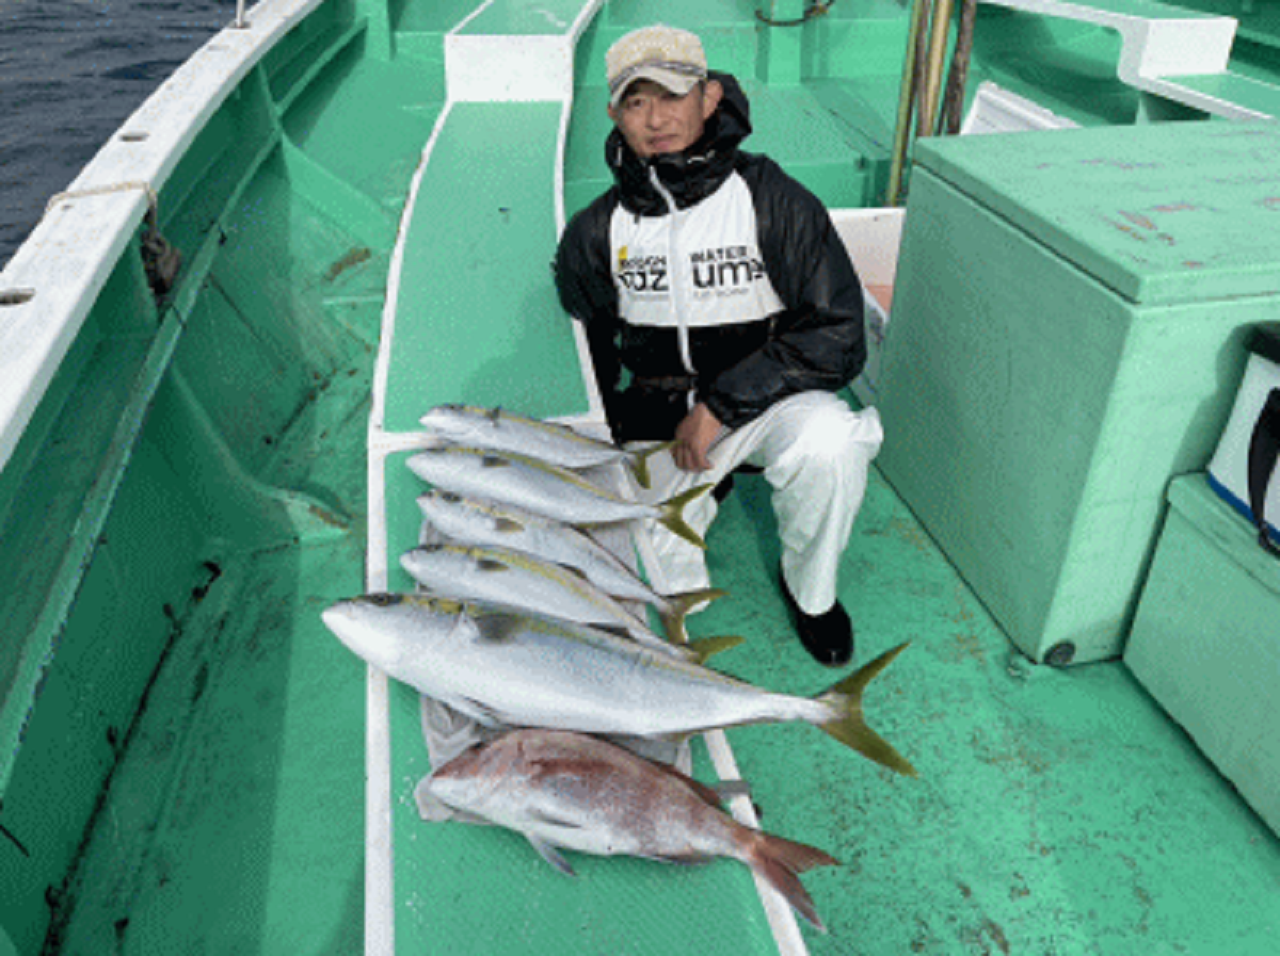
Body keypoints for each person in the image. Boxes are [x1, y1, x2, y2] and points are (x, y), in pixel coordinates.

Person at [553, 24, 883, 667]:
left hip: (766, 402)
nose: (656, 119)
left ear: (708, 98)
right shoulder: (596, 230)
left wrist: (724, 406)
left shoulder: (772, 198)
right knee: (656, 590)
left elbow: (840, 335)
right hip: (660, 420)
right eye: (636, 101)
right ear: (613, 114)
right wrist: (604, 446)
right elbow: (587, 349)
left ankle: (812, 595)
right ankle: (692, 508)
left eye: (672, 96)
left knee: (832, 444)